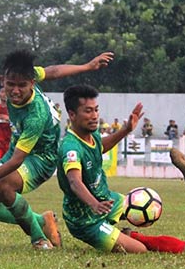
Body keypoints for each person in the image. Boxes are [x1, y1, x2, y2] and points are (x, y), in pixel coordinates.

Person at [0, 49, 114, 250]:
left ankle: (38, 239)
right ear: (2, 80)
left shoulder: (36, 115)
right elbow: (54, 71)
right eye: (10, 85)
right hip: (18, 149)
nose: (15, 90)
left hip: (42, 159)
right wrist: (87, 66)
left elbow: (16, 161)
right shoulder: (27, 75)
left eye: (21, 85)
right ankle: (42, 221)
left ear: (32, 83)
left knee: (4, 186)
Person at [57, 84, 147, 253]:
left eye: (96, 110)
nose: (95, 116)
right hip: (86, 219)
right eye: (88, 111)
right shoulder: (71, 147)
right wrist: (94, 204)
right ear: (72, 114)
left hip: (107, 201)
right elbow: (74, 181)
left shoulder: (92, 135)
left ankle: (122, 234)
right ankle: (119, 235)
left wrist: (126, 129)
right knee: (140, 250)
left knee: (141, 204)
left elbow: (100, 146)